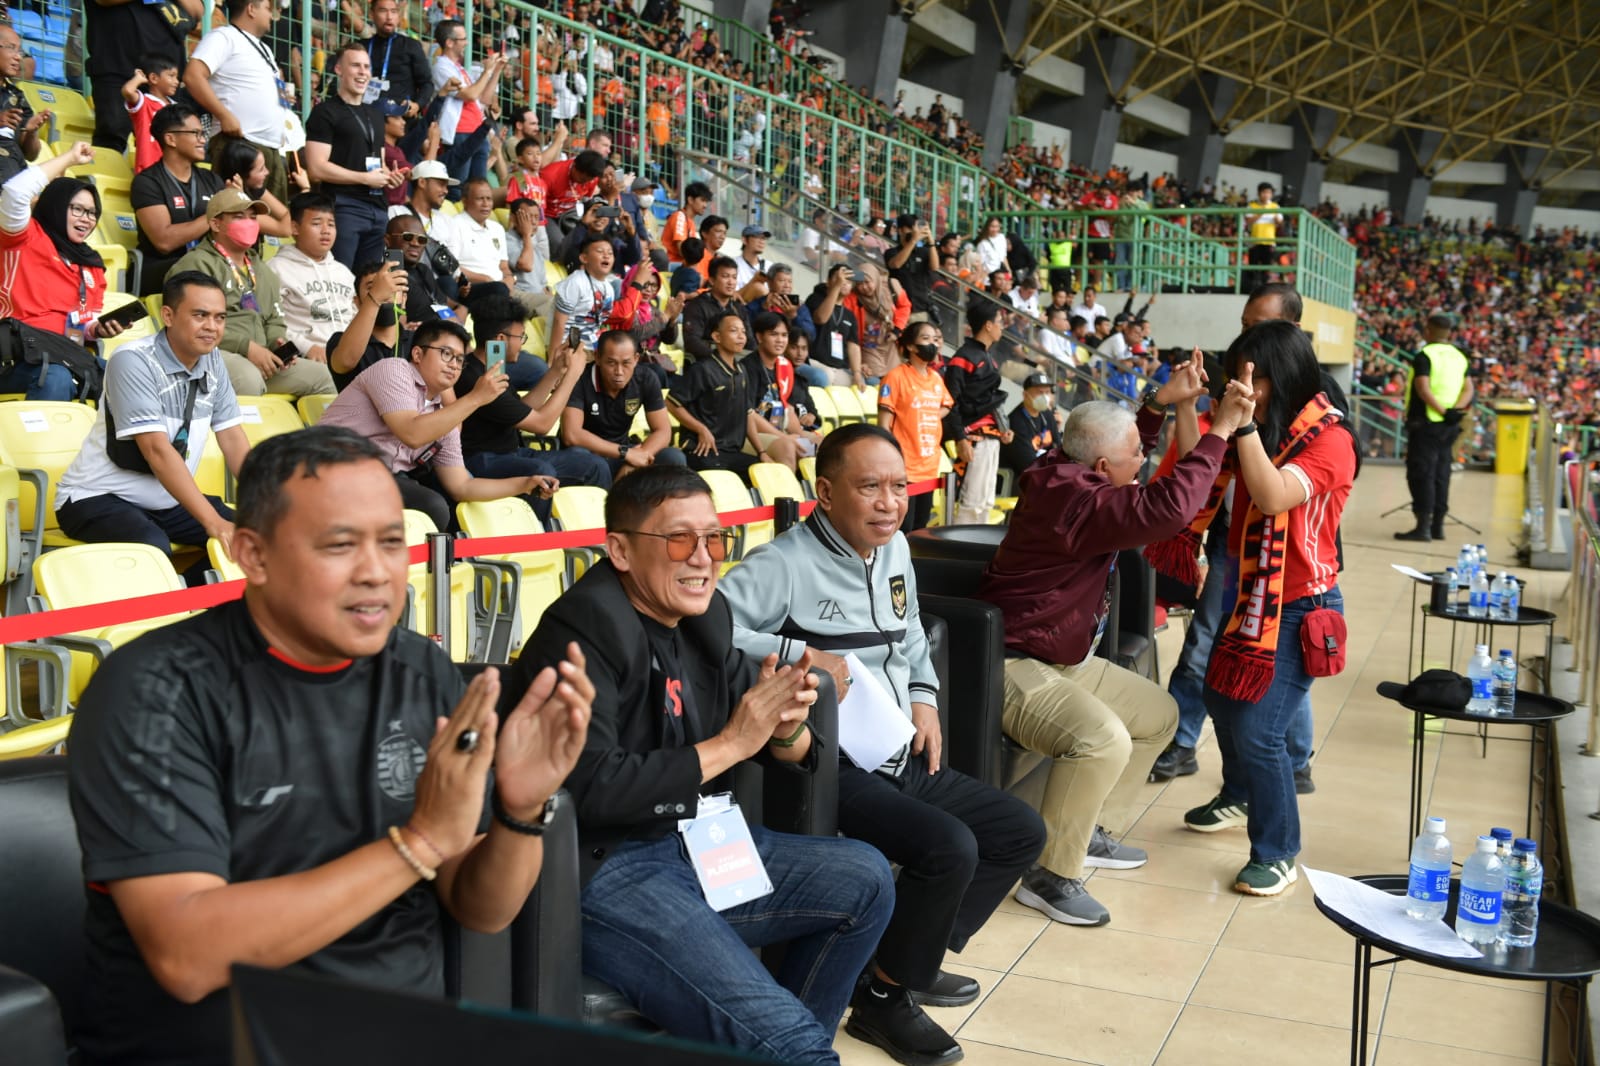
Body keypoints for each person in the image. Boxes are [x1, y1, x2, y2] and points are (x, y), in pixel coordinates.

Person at [68, 423, 593, 1065]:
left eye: (394, 543)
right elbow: (188, 957)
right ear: (253, 555)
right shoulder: (156, 691)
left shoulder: (419, 671)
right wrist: (419, 843)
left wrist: (519, 812)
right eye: (340, 546)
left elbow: (481, 910)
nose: (377, 573)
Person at [500, 464, 895, 1063]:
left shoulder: (704, 618)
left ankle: (779, 1041)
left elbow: (774, 737)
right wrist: (736, 742)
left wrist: (785, 728)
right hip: (605, 869)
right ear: (621, 551)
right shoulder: (582, 630)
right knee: (798, 1049)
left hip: (695, 843)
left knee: (865, 878)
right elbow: (590, 787)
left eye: (714, 539)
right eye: (680, 539)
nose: (704, 558)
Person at [721, 424, 1045, 1066]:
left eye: (898, 487)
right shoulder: (781, 563)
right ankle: (887, 1000)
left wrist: (924, 699)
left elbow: (912, 638)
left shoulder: (894, 549)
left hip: (896, 746)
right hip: (825, 765)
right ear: (825, 490)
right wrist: (797, 651)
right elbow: (709, 627)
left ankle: (892, 968)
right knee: (949, 847)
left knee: (1018, 831)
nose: (888, 503)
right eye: (869, 487)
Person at [979, 367, 1255, 924]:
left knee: (1159, 715)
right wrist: (1219, 430)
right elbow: (1167, 510)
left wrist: (1156, 404)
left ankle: (1087, 834)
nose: (1144, 463)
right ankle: (1050, 875)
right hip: (1011, 662)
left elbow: (1125, 452)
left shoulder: (1070, 472)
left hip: (1060, 655)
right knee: (1103, 739)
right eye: (1137, 457)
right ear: (1103, 469)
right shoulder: (1078, 503)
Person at [1178, 321, 1356, 896]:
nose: (1243, 385)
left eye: (1254, 376)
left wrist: (1244, 423)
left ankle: (1278, 850)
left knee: (1259, 730)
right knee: (1217, 697)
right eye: (1237, 374)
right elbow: (1195, 463)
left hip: (1301, 604)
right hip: (1247, 589)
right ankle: (1237, 794)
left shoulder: (1332, 441)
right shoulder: (1266, 430)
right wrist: (1187, 404)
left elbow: (1272, 494)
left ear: (1286, 375)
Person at [53, 272, 248, 566]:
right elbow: (156, 451)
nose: (212, 327)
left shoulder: (213, 360)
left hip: (165, 503)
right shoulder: (133, 360)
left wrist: (269, 503)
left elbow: (233, 439)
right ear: (168, 315)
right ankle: (173, 606)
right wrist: (213, 522)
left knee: (258, 534)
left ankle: (194, 602)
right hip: (94, 497)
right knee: (151, 546)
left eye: (220, 318)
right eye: (200, 315)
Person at [317, 318, 555, 529]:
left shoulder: (445, 418)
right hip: (329, 466)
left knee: (445, 504)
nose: (454, 364)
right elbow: (411, 432)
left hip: (376, 478)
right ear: (418, 354)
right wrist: (475, 398)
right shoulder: (394, 370)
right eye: (446, 353)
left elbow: (462, 486)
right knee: (432, 505)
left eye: (460, 359)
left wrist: (524, 484)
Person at [171, 188, 339, 400]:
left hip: (261, 356)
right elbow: (191, 322)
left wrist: (277, 344)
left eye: (253, 217)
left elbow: (275, 319)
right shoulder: (197, 264)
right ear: (215, 224)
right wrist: (247, 348)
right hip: (210, 352)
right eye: (239, 217)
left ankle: (322, 434)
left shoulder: (262, 269)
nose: (249, 223)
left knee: (323, 377)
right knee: (248, 378)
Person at [456, 295, 609, 499]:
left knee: (593, 464)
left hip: (509, 453)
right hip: (481, 460)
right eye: (521, 338)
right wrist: (573, 375)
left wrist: (556, 371)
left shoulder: (492, 368)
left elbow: (524, 410)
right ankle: (539, 529)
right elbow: (542, 424)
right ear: (501, 339)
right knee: (542, 473)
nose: (523, 345)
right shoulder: (478, 378)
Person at [0, 144, 117, 401]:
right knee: (55, 376)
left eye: (92, 213)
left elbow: (82, 325)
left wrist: (97, 330)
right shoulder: (24, 237)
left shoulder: (92, 264)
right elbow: (14, 192)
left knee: (123, 375)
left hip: (66, 355)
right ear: (56, 204)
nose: (86, 219)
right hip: (14, 357)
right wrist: (70, 158)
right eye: (77, 209)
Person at [304, 42, 407, 270]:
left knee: (368, 282)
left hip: (378, 208)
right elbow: (316, 168)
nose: (363, 72)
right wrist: (363, 178)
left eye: (367, 67)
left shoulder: (375, 115)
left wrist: (390, 176)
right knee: (341, 276)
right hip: (344, 207)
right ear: (339, 69)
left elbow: (378, 165)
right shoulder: (325, 112)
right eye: (356, 66)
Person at [185, 0, 291, 204]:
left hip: (271, 147)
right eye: (268, 9)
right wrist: (224, 115)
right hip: (239, 142)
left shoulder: (265, 49)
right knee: (236, 216)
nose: (272, 15)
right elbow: (193, 76)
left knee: (270, 227)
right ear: (251, 9)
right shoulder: (223, 37)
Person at [560, 329, 686, 484]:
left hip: (623, 453)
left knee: (673, 457)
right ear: (597, 357)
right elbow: (571, 435)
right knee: (582, 457)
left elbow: (663, 431)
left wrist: (639, 456)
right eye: (611, 363)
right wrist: (626, 453)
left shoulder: (646, 378)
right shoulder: (580, 378)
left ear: (636, 359)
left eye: (626, 363)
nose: (619, 372)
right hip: (589, 455)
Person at [1395, 311, 1474, 542]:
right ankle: (1438, 526)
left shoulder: (1424, 355)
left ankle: (1423, 527)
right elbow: (1469, 388)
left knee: (1422, 474)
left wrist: (1440, 411)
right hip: (1449, 426)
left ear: (1428, 331)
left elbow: (1423, 388)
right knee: (1442, 473)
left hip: (1426, 424)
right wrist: (1453, 412)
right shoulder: (1460, 357)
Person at [85, 0, 198, 152]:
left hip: (164, 73)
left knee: (168, 144)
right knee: (111, 137)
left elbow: (197, 10)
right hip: (115, 64)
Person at [669, 311, 766, 481]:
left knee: (762, 473)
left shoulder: (742, 371)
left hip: (731, 452)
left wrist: (762, 452)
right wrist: (701, 429)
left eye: (743, 331)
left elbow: (748, 413)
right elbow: (671, 403)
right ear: (717, 336)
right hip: (702, 450)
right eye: (733, 331)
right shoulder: (702, 369)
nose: (741, 336)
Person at [877, 321, 952, 532]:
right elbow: (883, 424)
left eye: (935, 340)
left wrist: (928, 414)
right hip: (905, 468)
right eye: (925, 339)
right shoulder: (896, 377)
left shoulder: (936, 379)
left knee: (921, 528)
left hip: (929, 466)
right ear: (911, 345)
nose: (933, 344)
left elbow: (947, 404)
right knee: (903, 530)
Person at [943, 302, 1012, 525]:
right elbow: (950, 401)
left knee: (986, 502)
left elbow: (991, 401)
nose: (1002, 327)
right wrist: (960, 438)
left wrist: (1003, 429)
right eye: (1000, 323)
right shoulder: (963, 357)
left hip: (991, 438)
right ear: (988, 325)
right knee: (971, 503)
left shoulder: (988, 357)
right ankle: (961, 553)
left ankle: (977, 551)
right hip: (973, 439)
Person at [268, 193, 357, 365]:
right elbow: (270, 323)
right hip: (305, 357)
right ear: (295, 228)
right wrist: (307, 347)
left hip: (347, 357)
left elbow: (355, 317)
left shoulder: (343, 272)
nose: (326, 230)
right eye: (316, 223)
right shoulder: (276, 268)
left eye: (331, 224)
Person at [431, 19, 506, 188]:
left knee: (477, 188)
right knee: (458, 188)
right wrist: (486, 71)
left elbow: (483, 100)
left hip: (478, 133)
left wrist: (497, 70)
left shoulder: (459, 68)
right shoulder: (441, 67)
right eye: (463, 39)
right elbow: (470, 95)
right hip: (460, 133)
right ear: (449, 43)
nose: (467, 43)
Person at [744, 312, 822, 471]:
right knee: (787, 446)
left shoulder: (784, 366)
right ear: (759, 337)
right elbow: (749, 415)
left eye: (784, 335)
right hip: (749, 434)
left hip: (778, 428)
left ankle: (814, 494)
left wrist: (801, 436)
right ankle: (787, 495)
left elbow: (787, 409)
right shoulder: (748, 367)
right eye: (774, 334)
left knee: (821, 444)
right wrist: (785, 437)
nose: (780, 340)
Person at [326, 258, 409, 390]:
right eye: (372, 287)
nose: (385, 293)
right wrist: (375, 298)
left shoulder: (419, 340)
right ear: (357, 302)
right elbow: (345, 361)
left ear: (404, 299)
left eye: (392, 287)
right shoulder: (339, 341)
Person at [547, 232, 617, 362]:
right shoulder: (575, 282)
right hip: (568, 348)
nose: (606, 255)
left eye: (610, 253)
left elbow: (599, 323)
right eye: (600, 251)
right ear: (584, 258)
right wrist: (552, 359)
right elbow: (559, 322)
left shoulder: (609, 289)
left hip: (592, 348)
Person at [212, 137, 294, 240]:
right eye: (261, 169)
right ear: (241, 175)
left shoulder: (254, 188)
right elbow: (285, 230)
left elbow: (287, 216)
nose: (267, 172)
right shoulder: (221, 197)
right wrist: (239, 199)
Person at [796, 263, 864, 387]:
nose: (843, 282)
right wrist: (836, 287)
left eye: (848, 280)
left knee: (864, 384)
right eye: (839, 278)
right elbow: (821, 318)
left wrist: (857, 373)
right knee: (823, 377)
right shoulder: (815, 299)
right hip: (815, 362)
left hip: (839, 368)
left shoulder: (849, 315)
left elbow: (853, 346)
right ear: (828, 281)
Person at [363, 0, 433, 117]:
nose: (389, 17)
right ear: (371, 14)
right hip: (367, 114)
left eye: (394, 12)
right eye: (383, 11)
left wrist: (417, 105)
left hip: (400, 117)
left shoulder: (411, 46)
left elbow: (426, 84)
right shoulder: (362, 47)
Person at [680, 255, 754, 363]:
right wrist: (722, 356)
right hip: (705, 364)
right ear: (712, 280)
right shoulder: (697, 306)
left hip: (735, 362)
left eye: (734, 277)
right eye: (725, 276)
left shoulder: (739, 309)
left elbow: (750, 341)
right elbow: (692, 342)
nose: (731, 282)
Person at [120, 54, 180, 174]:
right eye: (171, 76)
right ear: (153, 78)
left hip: (173, 170)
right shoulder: (144, 103)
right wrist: (138, 78)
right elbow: (127, 91)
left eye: (177, 77)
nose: (176, 82)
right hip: (148, 170)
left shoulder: (176, 107)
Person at [454, 178, 514, 291]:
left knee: (549, 302)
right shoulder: (455, 225)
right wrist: (486, 280)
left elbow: (504, 266)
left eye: (489, 199)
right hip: (473, 289)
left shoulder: (497, 228)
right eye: (480, 199)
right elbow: (452, 268)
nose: (486, 204)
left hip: (502, 287)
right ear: (465, 201)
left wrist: (509, 278)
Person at [1003, 371, 1057, 479]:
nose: (1045, 397)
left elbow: (1058, 446)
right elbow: (1027, 464)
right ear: (1025, 395)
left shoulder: (1047, 415)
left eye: (1047, 392)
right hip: (1021, 479)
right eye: (1040, 392)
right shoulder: (1016, 421)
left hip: (1044, 472)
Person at [887, 214, 940, 323]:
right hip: (899, 308)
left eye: (916, 229)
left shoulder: (923, 251)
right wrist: (913, 240)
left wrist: (930, 241)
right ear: (900, 230)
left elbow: (935, 267)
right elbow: (896, 264)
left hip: (921, 308)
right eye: (911, 229)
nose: (914, 232)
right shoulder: (892, 252)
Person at [661, 180, 709, 265]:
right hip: (672, 265)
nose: (705, 205)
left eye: (706, 201)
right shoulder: (680, 216)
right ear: (690, 200)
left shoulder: (690, 222)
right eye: (702, 200)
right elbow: (682, 250)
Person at [1243, 183, 1282, 275]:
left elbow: (1280, 222)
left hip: (1269, 242)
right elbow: (1248, 221)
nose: (1266, 195)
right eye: (1264, 192)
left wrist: (1275, 215)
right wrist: (1261, 213)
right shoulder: (1251, 206)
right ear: (1259, 193)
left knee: (1266, 269)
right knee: (1252, 268)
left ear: (1271, 194)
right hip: (1254, 242)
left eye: (1268, 192)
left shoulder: (1275, 206)